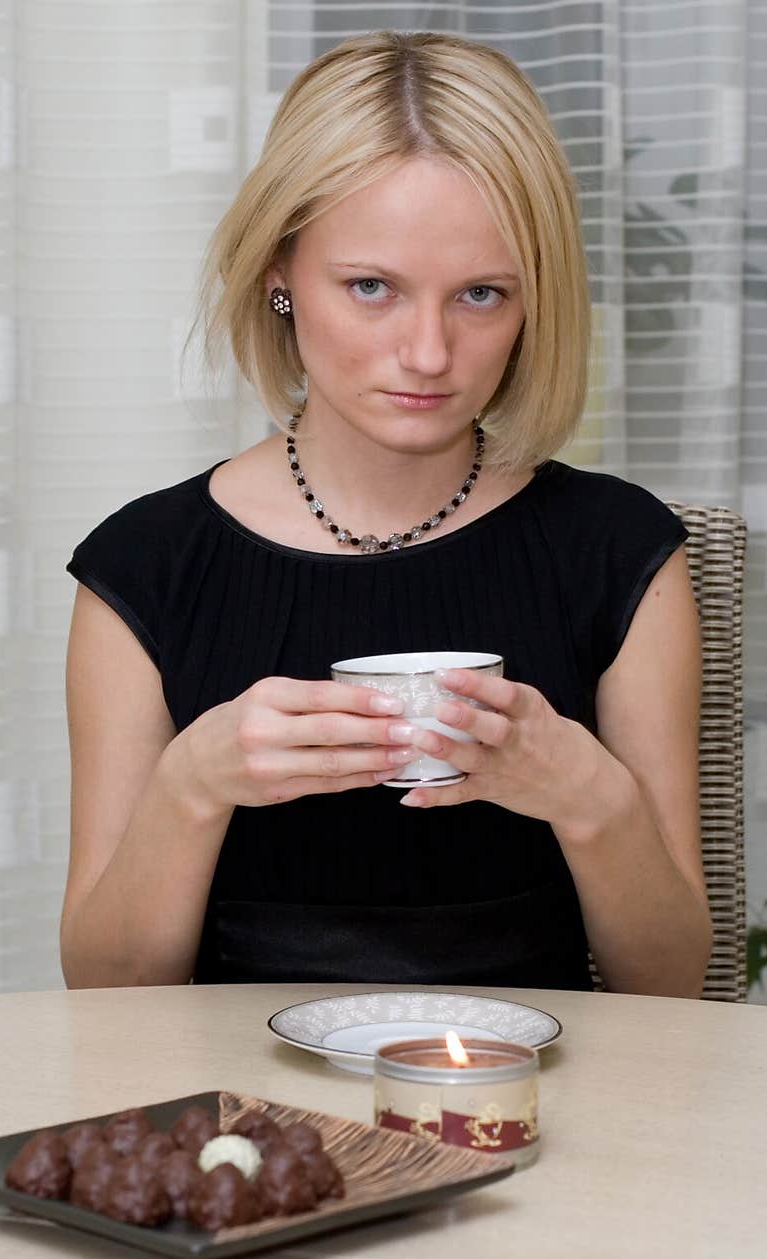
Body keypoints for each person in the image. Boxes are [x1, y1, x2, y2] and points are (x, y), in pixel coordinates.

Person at [61, 30, 713, 995]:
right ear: (278, 270)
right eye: (372, 287)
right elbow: (104, 995)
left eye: (481, 294)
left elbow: (670, 985)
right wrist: (190, 786)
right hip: (231, 1123)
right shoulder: (145, 568)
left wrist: (591, 799)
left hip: (548, 1110)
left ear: (536, 303)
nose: (429, 352)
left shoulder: (620, 553)